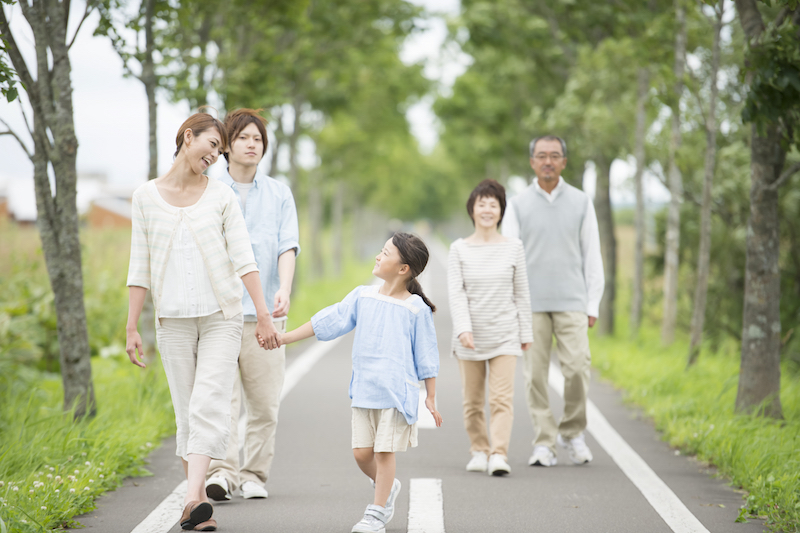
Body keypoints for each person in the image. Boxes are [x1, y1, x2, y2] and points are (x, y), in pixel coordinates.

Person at [125, 112, 279, 532]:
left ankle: (193, 499)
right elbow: (139, 265)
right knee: (186, 410)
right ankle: (194, 504)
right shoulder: (144, 197)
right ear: (187, 137)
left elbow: (245, 258)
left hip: (221, 318)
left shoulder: (221, 197)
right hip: (171, 321)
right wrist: (132, 326)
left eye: (219, 151)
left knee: (209, 402)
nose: (215, 156)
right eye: (211, 146)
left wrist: (262, 315)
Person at [278, 232, 443, 533]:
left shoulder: (416, 309)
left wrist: (430, 396)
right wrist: (286, 338)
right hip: (365, 391)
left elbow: (427, 355)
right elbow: (330, 320)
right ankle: (388, 487)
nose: (378, 256)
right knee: (361, 454)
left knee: (383, 453)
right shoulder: (362, 296)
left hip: (396, 393)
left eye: (384, 253)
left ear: (403, 268)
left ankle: (377, 514)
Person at [205, 109, 300, 502]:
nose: (251, 144)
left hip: (265, 316)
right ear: (227, 145)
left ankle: (254, 474)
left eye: (257, 139)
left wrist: (285, 289)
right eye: (243, 137)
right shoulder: (207, 187)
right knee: (221, 402)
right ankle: (221, 473)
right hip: (218, 314)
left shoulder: (278, 192)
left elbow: (286, 245)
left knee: (264, 402)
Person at [502, 135, 604, 468]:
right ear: (532, 162)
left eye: (555, 156)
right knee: (534, 376)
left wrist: (593, 303)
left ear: (564, 161)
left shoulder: (580, 202)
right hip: (530, 304)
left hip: (573, 300)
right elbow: (509, 258)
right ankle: (544, 441)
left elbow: (592, 255)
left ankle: (572, 432)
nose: (548, 161)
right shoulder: (516, 205)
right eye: (542, 155)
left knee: (577, 368)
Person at [447, 179, 532, 476]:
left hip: (505, 334)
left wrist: (526, 333)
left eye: (493, 204)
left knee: (501, 399)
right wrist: (463, 329)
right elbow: (456, 293)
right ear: (472, 209)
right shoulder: (458, 249)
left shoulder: (514, 248)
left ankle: (498, 454)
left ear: (501, 211)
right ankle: (479, 450)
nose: (487, 209)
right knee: (472, 401)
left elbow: (521, 292)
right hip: (469, 336)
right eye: (481, 204)